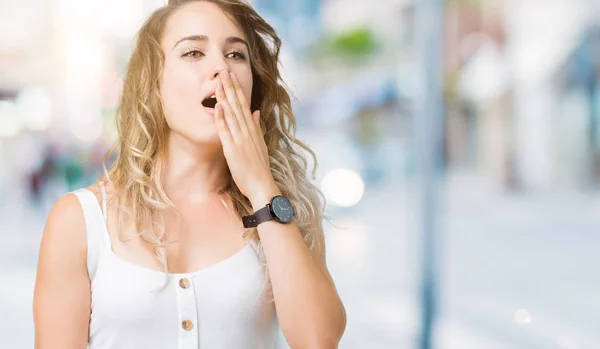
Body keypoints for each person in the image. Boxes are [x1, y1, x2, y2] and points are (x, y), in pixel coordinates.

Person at [32, 0, 347, 348]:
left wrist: (261, 187)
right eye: (194, 52)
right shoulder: (80, 220)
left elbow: (318, 341)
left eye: (236, 55)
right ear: (153, 82)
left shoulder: (283, 207)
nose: (220, 68)